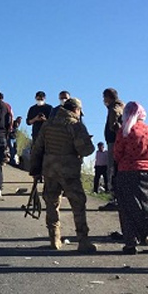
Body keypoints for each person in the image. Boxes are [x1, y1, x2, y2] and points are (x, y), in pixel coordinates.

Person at [30, 97, 97, 253]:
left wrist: (35, 171)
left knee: (52, 203)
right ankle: (83, 240)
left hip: (50, 169)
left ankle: (54, 239)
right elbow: (85, 150)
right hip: (69, 170)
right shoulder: (75, 125)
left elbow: (37, 149)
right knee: (78, 203)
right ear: (75, 110)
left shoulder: (47, 125)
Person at [113, 101, 148, 255]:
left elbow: (117, 154)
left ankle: (131, 244)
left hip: (128, 173)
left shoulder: (124, 131)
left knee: (128, 208)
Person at [100, 87, 125, 210]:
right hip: (117, 142)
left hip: (113, 142)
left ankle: (115, 199)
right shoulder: (122, 107)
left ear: (108, 97)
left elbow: (114, 126)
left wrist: (115, 133)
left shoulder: (114, 109)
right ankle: (118, 198)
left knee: (112, 169)